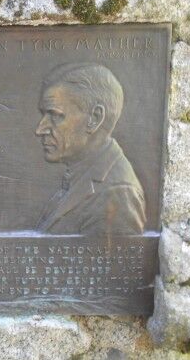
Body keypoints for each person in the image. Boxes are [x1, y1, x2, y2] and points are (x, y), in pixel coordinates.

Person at [35, 63, 146, 236]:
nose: (40, 129)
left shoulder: (116, 195)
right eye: (44, 115)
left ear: (95, 118)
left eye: (55, 115)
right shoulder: (80, 176)